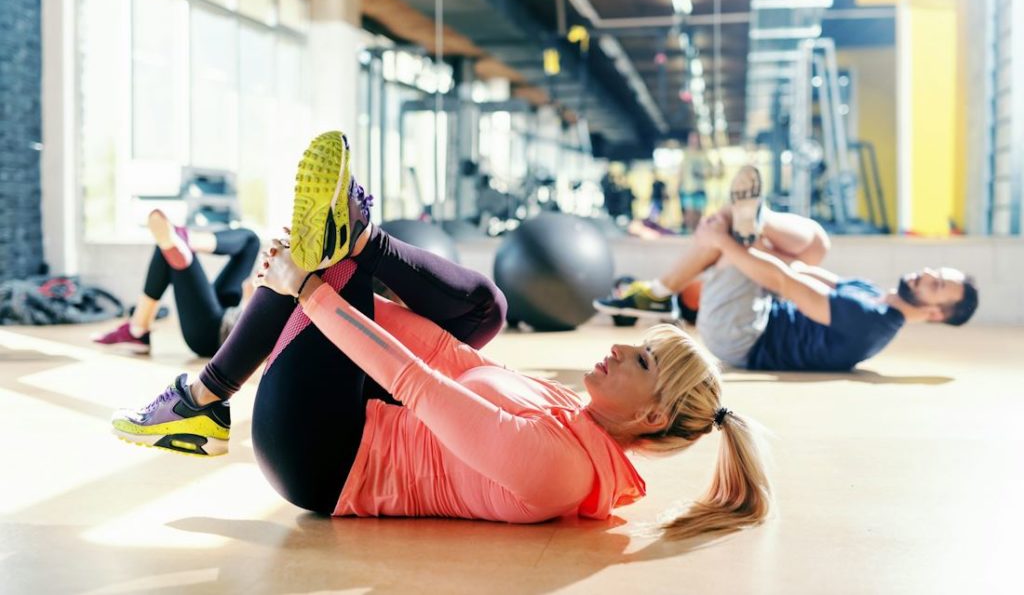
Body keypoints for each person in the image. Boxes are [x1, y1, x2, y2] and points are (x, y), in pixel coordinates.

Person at [111, 131, 772, 540]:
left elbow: (416, 383)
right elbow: (441, 352)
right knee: (486, 307)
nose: (622, 347)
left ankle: (202, 395)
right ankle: (362, 240)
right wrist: (348, 273)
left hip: (321, 454)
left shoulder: (562, 469)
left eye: (644, 358)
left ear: (653, 413)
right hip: (357, 408)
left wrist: (313, 288)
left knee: (325, 268)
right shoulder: (576, 418)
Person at [596, 165, 980, 371]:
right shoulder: (873, 296)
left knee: (733, 236)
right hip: (757, 311)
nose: (928, 274)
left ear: (932, 312)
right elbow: (803, 267)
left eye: (937, 284)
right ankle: (757, 221)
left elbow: (783, 279)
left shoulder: (868, 320)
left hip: (741, 335)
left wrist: (723, 242)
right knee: (817, 244)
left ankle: (660, 293)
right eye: (937, 271)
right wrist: (757, 241)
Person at [92, 210, 260, 357]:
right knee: (251, 240)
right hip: (232, 312)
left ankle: (137, 329)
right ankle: (187, 239)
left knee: (168, 247)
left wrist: (251, 303)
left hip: (216, 336)